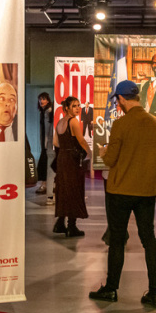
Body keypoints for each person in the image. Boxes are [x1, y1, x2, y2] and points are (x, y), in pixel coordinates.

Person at [90, 80, 156, 307]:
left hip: (120, 190)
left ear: (121, 99)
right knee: (149, 239)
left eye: (118, 100)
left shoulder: (122, 125)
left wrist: (103, 151)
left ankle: (111, 289)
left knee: (117, 240)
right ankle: (154, 292)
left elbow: (112, 159)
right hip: (146, 191)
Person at [52, 96, 91, 237]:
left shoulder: (60, 122)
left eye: (78, 105)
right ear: (67, 108)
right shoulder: (73, 121)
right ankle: (71, 227)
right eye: (74, 106)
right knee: (74, 189)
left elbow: (56, 143)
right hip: (72, 160)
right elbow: (81, 140)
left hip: (62, 158)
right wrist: (90, 153)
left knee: (63, 190)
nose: (78, 108)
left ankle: (60, 223)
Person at [35, 93, 54, 196]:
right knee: (45, 163)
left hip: (48, 143)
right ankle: (45, 184)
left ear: (48, 100)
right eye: (40, 99)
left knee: (45, 163)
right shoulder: (42, 112)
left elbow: (49, 129)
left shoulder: (49, 111)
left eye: (43, 99)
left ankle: (45, 184)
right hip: (45, 142)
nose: (41, 101)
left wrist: (48, 143)